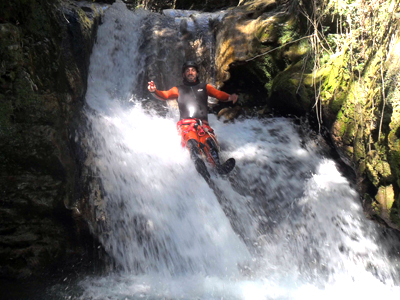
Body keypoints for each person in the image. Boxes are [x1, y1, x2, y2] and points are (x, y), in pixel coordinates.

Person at [147, 61, 238, 181]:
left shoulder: (204, 87)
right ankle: (199, 165)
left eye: (193, 70)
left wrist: (229, 97)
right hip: (186, 126)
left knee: (210, 144)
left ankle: (218, 167)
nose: (190, 72)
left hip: (203, 126)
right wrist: (154, 91)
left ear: (197, 73)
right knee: (192, 142)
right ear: (184, 74)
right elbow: (165, 95)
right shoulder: (178, 89)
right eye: (188, 71)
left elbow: (218, 94)